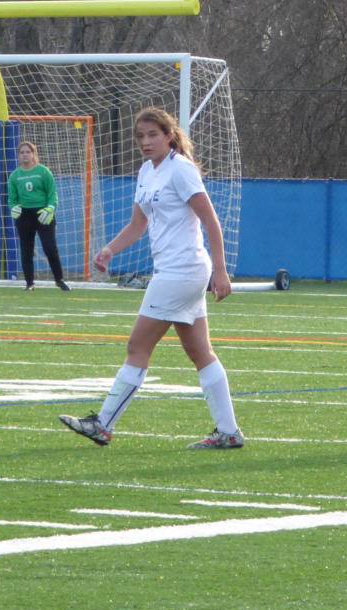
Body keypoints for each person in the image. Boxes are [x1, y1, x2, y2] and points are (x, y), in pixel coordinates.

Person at [58, 106, 243, 450]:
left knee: (137, 346)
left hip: (182, 270)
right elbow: (137, 224)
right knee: (200, 352)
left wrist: (220, 270)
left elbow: (211, 221)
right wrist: (109, 250)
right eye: (140, 136)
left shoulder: (181, 170)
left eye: (152, 135)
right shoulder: (147, 171)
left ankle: (103, 423)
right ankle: (228, 432)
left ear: (169, 135)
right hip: (175, 270)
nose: (145, 142)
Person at [7, 140, 69, 291]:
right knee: (26, 249)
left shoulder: (43, 171)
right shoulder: (15, 176)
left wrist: (50, 208)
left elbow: (52, 193)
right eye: (22, 152)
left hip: (43, 214)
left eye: (28, 152)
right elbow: (12, 199)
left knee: (50, 248)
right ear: (18, 156)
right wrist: (14, 208)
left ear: (33, 154)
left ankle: (59, 280)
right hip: (25, 215)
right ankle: (29, 283)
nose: (25, 155)